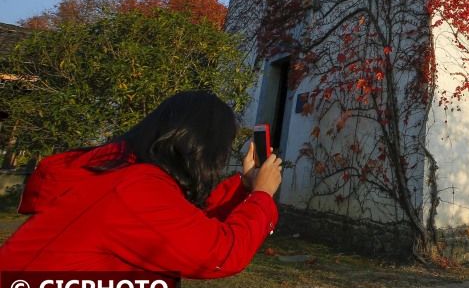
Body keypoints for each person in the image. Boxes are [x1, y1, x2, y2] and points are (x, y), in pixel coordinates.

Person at [0, 90, 283, 277]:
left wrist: (244, 187)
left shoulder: (124, 174)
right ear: (200, 146)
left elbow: (184, 223)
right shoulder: (134, 189)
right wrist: (262, 196)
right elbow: (219, 253)